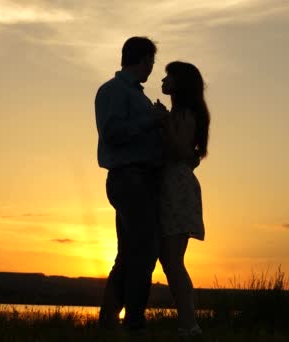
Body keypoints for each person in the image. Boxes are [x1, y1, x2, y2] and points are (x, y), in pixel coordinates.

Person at [94, 36, 168, 331]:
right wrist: (152, 120)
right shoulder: (114, 91)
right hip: (129, 179)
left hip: (140, 180)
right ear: (143, 60)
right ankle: (134, 322)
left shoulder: (136, 95)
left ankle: (109, 321)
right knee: (146, 250)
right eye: (151, 61)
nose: (152, 68)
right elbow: (111, 133)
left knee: (129, 253)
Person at [158, 61, 210, 337]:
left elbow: (179, 150)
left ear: (181, 83)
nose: (163, 80)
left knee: (172, 259)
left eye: (169, 76)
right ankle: (188, 324)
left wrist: (162, 122)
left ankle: (189, 325)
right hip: (175, 185)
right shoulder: (181, 112)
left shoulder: (184, 113)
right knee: (170, 260)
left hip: (176, 187)